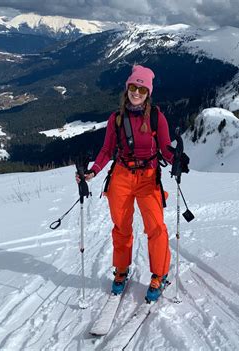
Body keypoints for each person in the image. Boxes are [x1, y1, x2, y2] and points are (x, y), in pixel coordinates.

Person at [76, 65, 189, 302]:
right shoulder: (116, 119)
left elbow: (165, 148)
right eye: (133, 87)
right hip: (122, 176)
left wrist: (177, 158)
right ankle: (121, 270)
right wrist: (93, 171)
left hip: (149, 177)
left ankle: (159, 273)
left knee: (155, 227)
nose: (136, 92)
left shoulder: (157, 117)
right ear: (127, 88)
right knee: (121, 226)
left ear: (148, 93)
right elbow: (107, 150)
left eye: (142, 88)